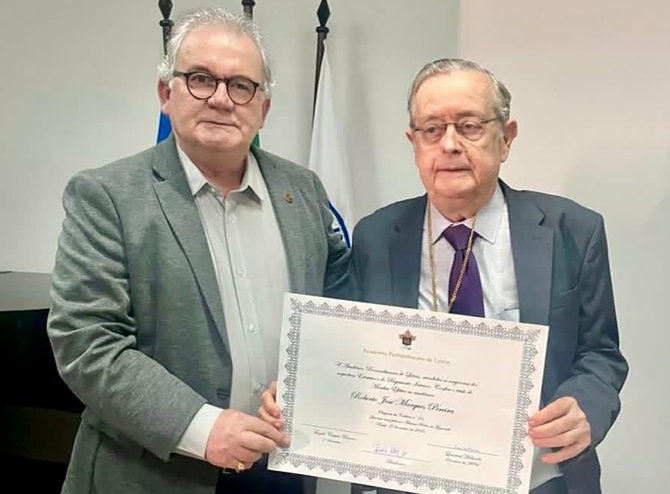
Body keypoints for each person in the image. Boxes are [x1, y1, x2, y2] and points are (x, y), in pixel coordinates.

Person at [260, 59, 628, 494]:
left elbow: (601, 353)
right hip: (410, 479)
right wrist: (303, 388)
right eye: (432, 129)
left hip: (539, 479)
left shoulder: (573, 230)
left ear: (506, 138)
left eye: (469, 126)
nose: (450, 144)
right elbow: (354, 355)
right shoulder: (376, 236)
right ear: (413, 142)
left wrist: (586, 406)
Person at [47, 7, 348, 494]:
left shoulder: (304, 191)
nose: (221, 99)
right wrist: (202, 428)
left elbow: (340, 307)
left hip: (282, 467)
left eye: (241, 85)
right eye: (201, 79)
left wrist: (311, 377)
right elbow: (88, 342)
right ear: (166, 94)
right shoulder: (106, 196)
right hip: (157, 473)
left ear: (263, 109)